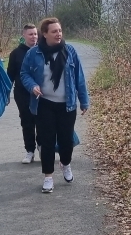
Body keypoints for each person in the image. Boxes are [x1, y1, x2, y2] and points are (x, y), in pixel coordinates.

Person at [20, 17, 89, 193]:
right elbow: (24, 73)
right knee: (47, 141)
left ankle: (65, 163)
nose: (58, 34)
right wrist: (32, 86)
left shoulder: (70, 51)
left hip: (67, 105)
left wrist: (84, 101)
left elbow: (79, 77)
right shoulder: (34, 53)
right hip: (44, 104)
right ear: (45, 34)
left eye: (60, 31)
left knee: (66, 141)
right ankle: (48, 177)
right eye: (54, 31)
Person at [7, 23, 39, 163]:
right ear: (24, 35)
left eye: (35, 34)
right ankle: (30, 151)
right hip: (22, 94)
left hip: (41, 93)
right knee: (27, 122)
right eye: (30, 34)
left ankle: (42, 146)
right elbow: (10, 76)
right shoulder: (16, 53)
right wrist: (6, 94)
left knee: (42, 121)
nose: (34, 37)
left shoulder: (42, 51)